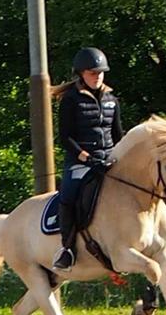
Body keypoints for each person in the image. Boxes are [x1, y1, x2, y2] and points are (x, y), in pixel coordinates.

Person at [51, 46, 124, 270]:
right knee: (68, 195)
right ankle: (67, 249)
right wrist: (85, 156)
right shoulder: (71, 100)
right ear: (81, 74)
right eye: (93, 73)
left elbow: (118, 133)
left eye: (100, 72)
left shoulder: (111, 99)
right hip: (80, 161)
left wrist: (119, 156)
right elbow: (65, 137)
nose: (98, 76)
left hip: (108, 159)